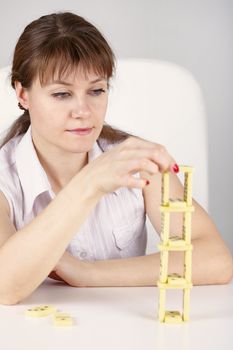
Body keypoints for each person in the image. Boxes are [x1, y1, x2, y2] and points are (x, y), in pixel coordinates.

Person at [0, 12, 232, 305]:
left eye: (96, 90)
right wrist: (90, 183)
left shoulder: (136, 159)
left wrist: (89, 274)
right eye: (61, 94)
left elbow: (215, 259)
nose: (83, 110)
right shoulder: (5, 178)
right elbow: (4, 286)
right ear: (23, 94)